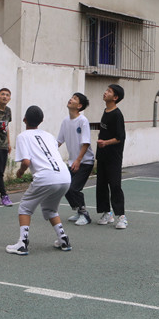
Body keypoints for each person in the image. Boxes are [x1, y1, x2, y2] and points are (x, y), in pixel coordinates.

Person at [6, 106, 73, 255]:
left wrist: (20, 172)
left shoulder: (23, 136)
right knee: (50, 209)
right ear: (41, 121)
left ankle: (22, 244)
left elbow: (26, 162)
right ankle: (63, 239)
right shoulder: (49, 136)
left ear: (24, 119)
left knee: (25, 207)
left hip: (46, 177)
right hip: (65, 176)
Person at [57, 93, 95, 226]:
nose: (71, 99)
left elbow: (86, 143)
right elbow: (59, 141)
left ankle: (85, 215)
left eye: (75, 99)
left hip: (85, 161)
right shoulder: (65, 121)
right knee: (64, 186)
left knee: (74, 188)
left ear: (79, 106)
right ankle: (79, 211)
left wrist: (78, 160)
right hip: (73, 162)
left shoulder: (83, 121)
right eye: (71, 97)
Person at [95, 84, 127, 229]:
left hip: (113, 157)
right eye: (106, 90)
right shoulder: (106, 111)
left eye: (109, 91)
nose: (105, 92)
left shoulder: (117, 115)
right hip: (102, 155)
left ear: (115, 97)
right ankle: (107, 213)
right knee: (101, 185)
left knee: (115, 185)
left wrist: (105, 143)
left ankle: (121, 216)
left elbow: (120, 137)